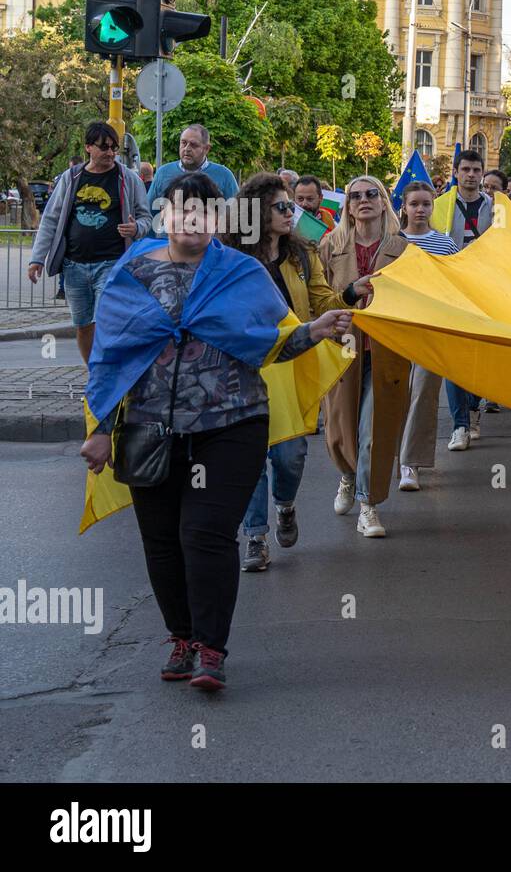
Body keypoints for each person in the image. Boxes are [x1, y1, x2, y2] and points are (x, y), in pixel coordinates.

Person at [79, 171, 352, 690]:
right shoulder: (130, 274)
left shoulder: (240, 274)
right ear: (166, 216)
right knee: (161, 542)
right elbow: (112, 361)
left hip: (231, 424)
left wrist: (314, 330)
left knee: (204, 534)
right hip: (148, 427)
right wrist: (99, 432)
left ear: (219, 219)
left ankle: (210, 648)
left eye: (205, 212)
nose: (193, 220)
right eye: (183, 210)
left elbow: (272, 341)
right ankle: (180, 637)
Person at [228, 173, 366, 571]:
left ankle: (285, 505)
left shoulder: (302, 255)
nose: (293, 213)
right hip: (249, 366)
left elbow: (322, 300)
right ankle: (255, 538)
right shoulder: (232, 257)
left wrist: (351, 294)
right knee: (250, 457)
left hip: (292, 365)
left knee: (289, 455)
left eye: (292, 205)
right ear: (257, 212)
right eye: (283, 207)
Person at [319, 175, 412, 539]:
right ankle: (346, 474)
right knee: (341, 424)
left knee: (374, 426)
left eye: (371, 193)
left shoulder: (402, 249)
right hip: (343, 346)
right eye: (355, 196)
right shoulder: (331, 245)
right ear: (347, 206)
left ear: (383, 200)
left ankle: (367, 506)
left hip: (387, 349)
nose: (363, 200)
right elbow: (320, 297)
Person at [27, 122, 152, 363]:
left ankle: (109, 373)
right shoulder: (71, 178)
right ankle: (94, 374)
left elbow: (146, 217)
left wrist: (137, 228)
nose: (110, 153)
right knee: (83, 325)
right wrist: (36, 259)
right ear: (88, 148)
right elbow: (50, 220)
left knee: (105, 320)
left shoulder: (127, 178)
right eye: (104, 147)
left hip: (112, 264)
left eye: (114, 148)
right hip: (74, 267)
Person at [395, 181, 478, 487]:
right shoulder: (393, 242)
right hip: (396, 329)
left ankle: (410, 464)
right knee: (396, 397)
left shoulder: (444, 244)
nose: (420, 209)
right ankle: (391, 457)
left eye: (426, 204)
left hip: (432, 330)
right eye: (414, 204)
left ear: (433, 207)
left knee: (422, 396)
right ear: (404, 207)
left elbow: (460, 282)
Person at [147, 124, 239, 203]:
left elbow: (237, 213)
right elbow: (149, 212)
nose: (187, 149)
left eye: (193, 145)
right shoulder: (163, 173)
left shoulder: (224, 175)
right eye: (183, 143)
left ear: (206, 149)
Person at [447, 149, 495, 247]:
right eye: (465, 169)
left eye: (476, 170)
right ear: (455, 173)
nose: (471, 174)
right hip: (449, 261)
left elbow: (502, 238)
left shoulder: (496, 206)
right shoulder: (439, 205)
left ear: (482, 174)